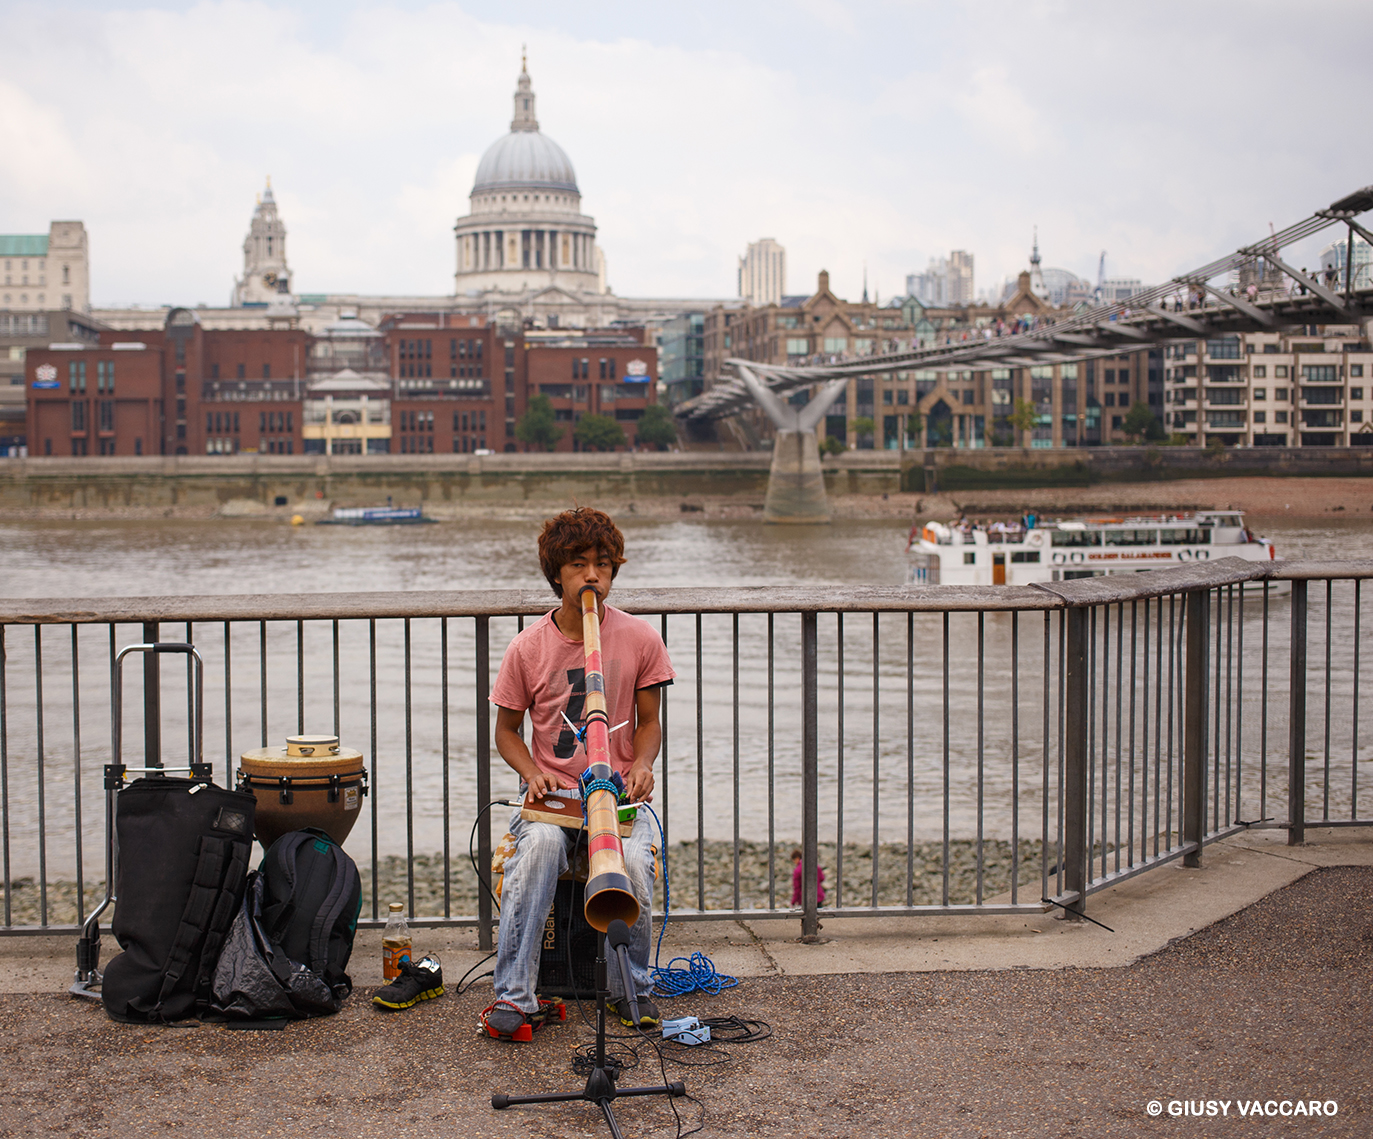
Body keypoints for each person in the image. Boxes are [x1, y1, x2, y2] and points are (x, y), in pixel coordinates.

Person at [484, 507, 674, 1039]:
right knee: (540, 848)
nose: (593, 575)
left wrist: (641, 763)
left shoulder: (640, 638)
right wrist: (531, 773)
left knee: (634, 860)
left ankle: (631, 989)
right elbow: (506, 731)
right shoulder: (527, 647)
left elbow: (651, 723)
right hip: (556, 796)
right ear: (556, 574)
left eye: (603, 565)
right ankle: (515, 997)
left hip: (615, 794)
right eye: (578, 565)